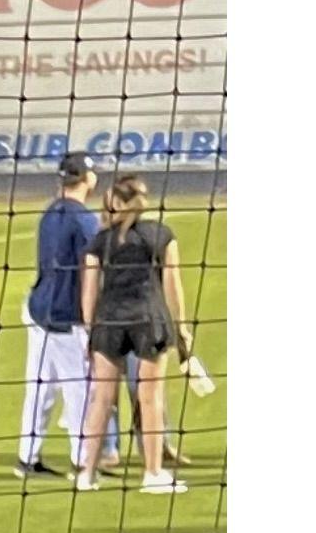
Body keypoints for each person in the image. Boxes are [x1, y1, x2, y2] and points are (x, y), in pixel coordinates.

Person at [72, 172, 195, 493]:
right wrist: (181, 329)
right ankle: (152, 473)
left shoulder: (100, 241)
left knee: (101, 399)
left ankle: (87, 474)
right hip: (148, 320)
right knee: (149, 398)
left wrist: (90, 331)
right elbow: (173, 287)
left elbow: (89, 295)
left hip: (109, 322)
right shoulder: (161, 236)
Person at [16, 154, 101, 474]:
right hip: (67, 316)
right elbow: (91, 274)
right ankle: (83, 459)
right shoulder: (85, 221)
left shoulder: (50, 212)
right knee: (81, 389)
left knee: (40, 388)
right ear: (87, 179)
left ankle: (28, 456)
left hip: (39, 309)